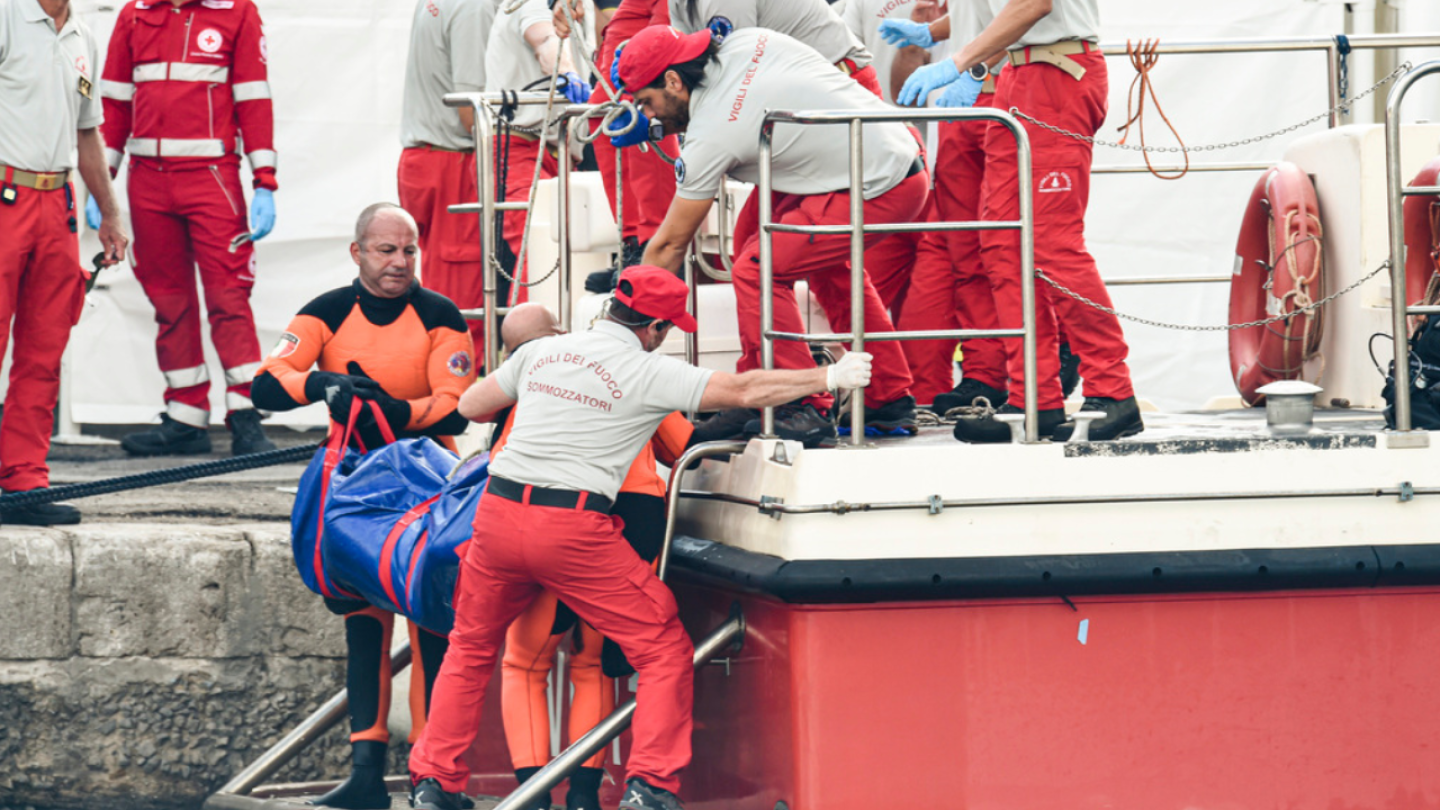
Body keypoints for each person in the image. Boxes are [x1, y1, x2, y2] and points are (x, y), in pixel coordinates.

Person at [406, 265, 874, 810]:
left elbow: (468, 407)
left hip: (499, 514)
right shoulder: (649, 371)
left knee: (469, 647)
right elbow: (744, 390)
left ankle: (433, 784)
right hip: (571, 526)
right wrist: (829, 379)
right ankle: (649, 785)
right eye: (668, 328)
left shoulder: (540, 353)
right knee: (662, 648)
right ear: (653, 326)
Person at [251, 203, 476, 810]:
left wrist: (397, 411)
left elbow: (457, 405)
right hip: (353, 484)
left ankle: (432, 779)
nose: (399, 262)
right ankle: (365, 776)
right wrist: (321, 385)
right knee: (363, 630)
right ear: (358, 253)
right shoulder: (325, 310)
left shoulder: (440, 315)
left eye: (408, 251)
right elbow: (267, 384)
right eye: (386, 250)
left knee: (431, 629)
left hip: (426, 481)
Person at [620, 25, 926, 447]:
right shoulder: (745, 40)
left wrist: (622, 327)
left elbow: (671, 243)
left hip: (880, 181)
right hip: (881, 148)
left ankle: (798, 402)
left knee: (758, 268)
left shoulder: (711, 135)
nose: (649, 116)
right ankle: (881, 396)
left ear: (674, 81)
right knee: (772, 245)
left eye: (646, 103)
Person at [897, 0, 1143, 441]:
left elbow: (1033, 4)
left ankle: (1113, 390)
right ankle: (1034, 397)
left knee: (1052, 243)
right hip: (1019, 74)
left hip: (1055, 73)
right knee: (1001, 245)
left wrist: (958, 62)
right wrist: (947, 44)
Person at [491, 302, 694, 810]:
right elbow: (684, 446)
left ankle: (533, 800)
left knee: (524, 664)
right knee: (591, 665)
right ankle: (585, 798)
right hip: (632, 528)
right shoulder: (636, 374)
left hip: (546, 523)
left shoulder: (531, 385)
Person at [95, 0, 278, 457]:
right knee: (168, 301)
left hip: (211, 177)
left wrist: (264, 182)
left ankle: (246, 415)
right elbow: (114, 104)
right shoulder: (133, 14)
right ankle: (185, 418)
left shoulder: (237, 11)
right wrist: (104, 181)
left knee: (228, 297)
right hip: (147, 181)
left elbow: (253, 98)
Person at [0, 0, 129, 526]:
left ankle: (24, 480)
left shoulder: (82, 36)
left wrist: (112, 216)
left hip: (57, 204)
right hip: (5, 193)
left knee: (44, 349)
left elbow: (87, 131)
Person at [484, 0, 592, 323]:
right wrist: (568, 73)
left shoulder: (572, 6)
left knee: (559, 249)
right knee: (539, 250)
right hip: (521, 144)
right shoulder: (533, 3)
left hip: (553, 146)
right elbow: (545, 39)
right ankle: (533, 347)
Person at [398, 0, 494, 354]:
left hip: (430, 156)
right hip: (453, 158)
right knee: (463, 296)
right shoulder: (475, 8)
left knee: (445, 284)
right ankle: (460, 394)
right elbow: (473, 109)